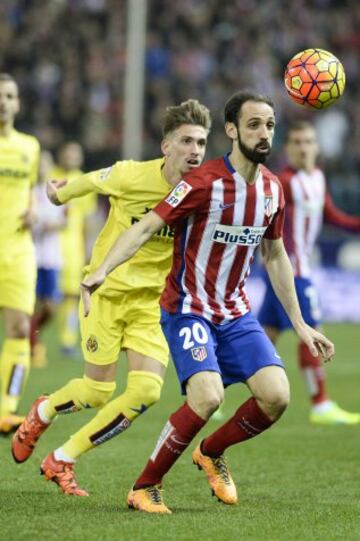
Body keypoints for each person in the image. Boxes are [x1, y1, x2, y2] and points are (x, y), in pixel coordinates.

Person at [77, 91, 335, 514]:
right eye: (253, 124)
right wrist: (101, 270)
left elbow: (274, 255)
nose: (264, 132)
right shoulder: (202, 183)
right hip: (188, 309)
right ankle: (145, 486)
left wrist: (300, 324)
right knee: (207, 395)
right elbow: (144, 229)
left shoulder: (272, 190)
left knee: (277, 397)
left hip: (234, 312)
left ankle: (211, 452)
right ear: (232, 131)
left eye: (270, 124)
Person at [12, 99, 211, 496]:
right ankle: (43, 411)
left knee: (147, 391)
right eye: (186, 141)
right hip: (104, 292)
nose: (195, 151)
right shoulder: (129, 175)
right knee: (97, 390)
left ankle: (62, 459)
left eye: (202, 143)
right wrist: (56, 194)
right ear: (165, 146)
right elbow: (80, 185)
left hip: (151, 305)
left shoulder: (202, 192)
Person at [258, 121, 360, 425]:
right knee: (313, 332)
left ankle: (218, 391)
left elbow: (332, 216)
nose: (303, 147)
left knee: (265, 337)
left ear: (317, 146)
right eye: (297, 142)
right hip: (291, 271)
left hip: (294, 270)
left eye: (308, 141)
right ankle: (321, 404)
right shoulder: (284, 182)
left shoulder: (317, 178)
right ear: (288, 148)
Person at [0, 73, 41, 435]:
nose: (3, 102)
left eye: (9, 96)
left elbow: (29, 191)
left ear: (17, 103)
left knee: (17, 328)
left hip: (17, 251)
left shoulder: (30, 146)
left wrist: (33, 211)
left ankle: (6, 408)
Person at [53, 142, 97, 357]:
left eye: (75, 153)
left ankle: (67, 341)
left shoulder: (85, 183)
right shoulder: (51, 177)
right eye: (68, 152)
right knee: (47, 297)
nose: (71, 156)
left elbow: (88, 222)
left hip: (73, 248)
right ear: (61, 154)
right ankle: (34, 337)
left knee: (71, 295)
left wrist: (90, 248)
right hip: (49, 245)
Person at [30, 150, 68, 368]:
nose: (41, 167)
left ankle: (32, 336)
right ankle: (34, 347)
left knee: (51, 307)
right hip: (32, 256)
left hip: (52, 257)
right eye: (38, 163)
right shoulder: (27, 191)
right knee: (33, 305)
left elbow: (66, 220)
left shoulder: (56, 191)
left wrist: (52, 224)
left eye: (44, 163)